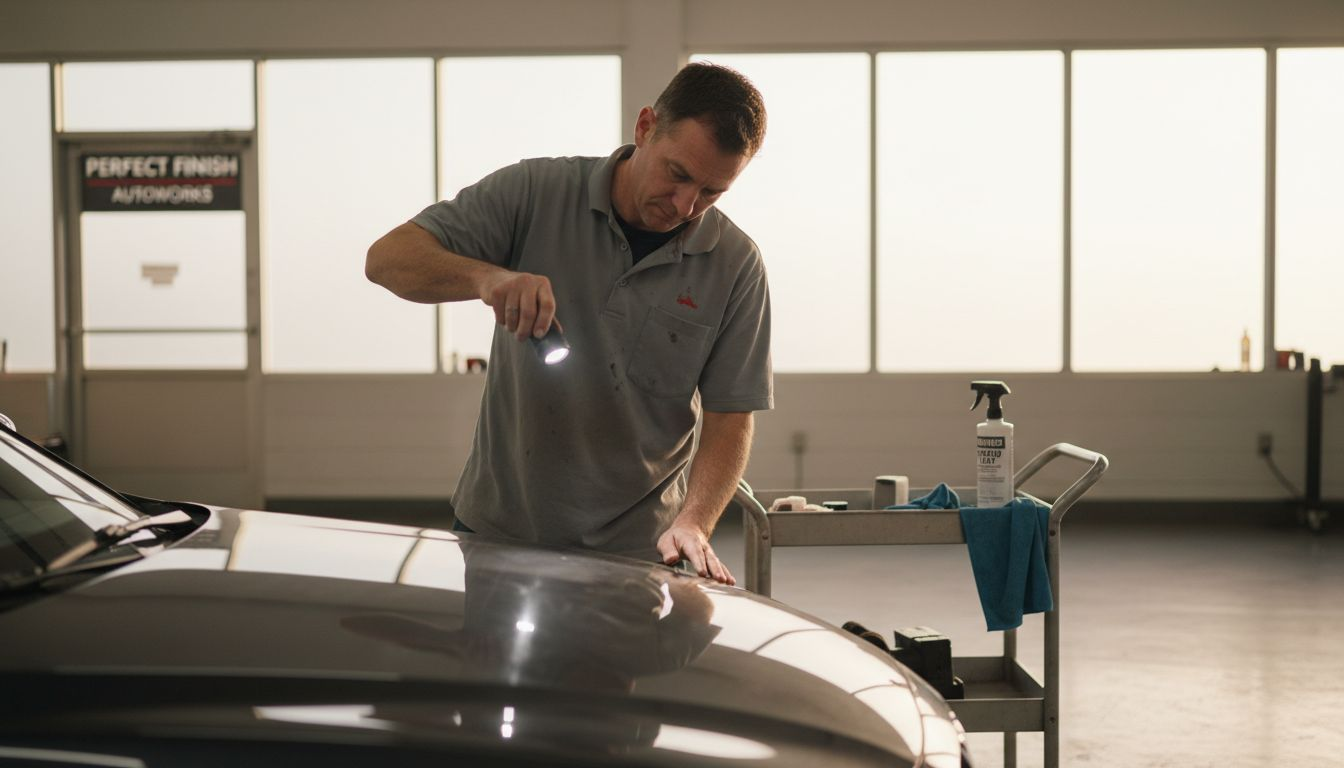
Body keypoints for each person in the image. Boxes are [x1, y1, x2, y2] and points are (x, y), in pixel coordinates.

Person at [365, 63, 770, 585]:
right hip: (497, 536)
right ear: (645, 126)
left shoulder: (734, 264)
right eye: (678, 174)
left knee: (617, 670)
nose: (685, 206)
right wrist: (487, 278)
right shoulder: (534, 192)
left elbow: (731, 416)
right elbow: (387, 260)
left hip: (641, 552)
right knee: (495, 668)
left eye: (712, 193)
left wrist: (695, 522)